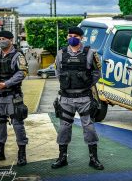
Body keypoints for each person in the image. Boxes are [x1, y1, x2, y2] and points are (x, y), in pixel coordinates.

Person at [52, 26, 104, 170]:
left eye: (75, 35)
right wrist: (67, 84)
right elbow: (58, 72)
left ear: (81, 38)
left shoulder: (90, 53)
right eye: (69, 35)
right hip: (66, 97)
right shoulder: (61, 53)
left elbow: (97, 72)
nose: (72, 38)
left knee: (89, 128)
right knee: (64, 128)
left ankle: (93, 159)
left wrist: (86, 84)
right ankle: (62, 158)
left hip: (84, 97)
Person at [0, 30, 29, 166]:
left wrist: (6, 84)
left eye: (3, 38)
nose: (0, 41)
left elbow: (22, 73)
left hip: (13, 96)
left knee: (17, 125)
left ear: (11, 40)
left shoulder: (18, 55)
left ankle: (22, 154)